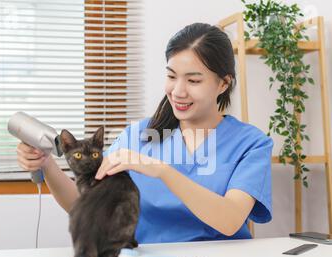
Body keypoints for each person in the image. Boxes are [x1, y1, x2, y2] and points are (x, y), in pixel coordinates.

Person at [16, 23, 273, 244]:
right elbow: (83, 204)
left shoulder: (251, 144)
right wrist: (47, 164)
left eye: (193, 81)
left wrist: (161, 169)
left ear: (223, 83)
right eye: (172, 77)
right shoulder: (137, 136)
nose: (178, 91)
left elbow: (229, 221)